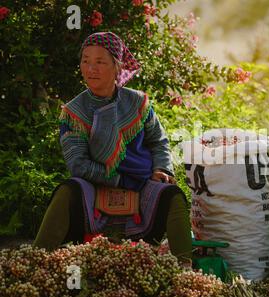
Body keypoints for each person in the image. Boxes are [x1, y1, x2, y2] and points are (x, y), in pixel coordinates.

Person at [33, 32, 192, 264]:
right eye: (85, 61)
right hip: (95, 185)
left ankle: (186, 272)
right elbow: (78, 164)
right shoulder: (74, 112)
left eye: (100, 62)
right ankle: (35, 260)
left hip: (143, 183)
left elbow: (159, 142)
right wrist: (120, 180)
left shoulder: (138, 103)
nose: (91, 68)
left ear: (117, 68)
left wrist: (163, 170)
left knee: (173, 196)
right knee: (68, 190)